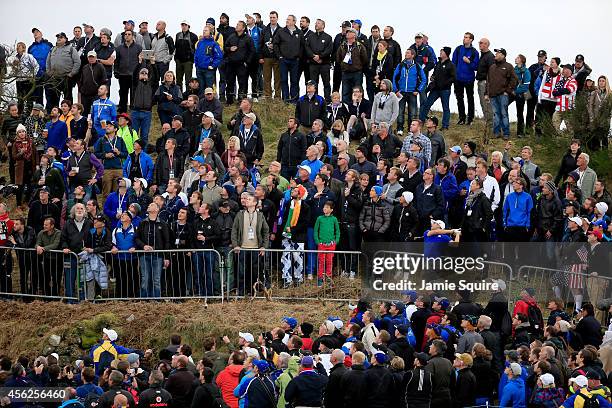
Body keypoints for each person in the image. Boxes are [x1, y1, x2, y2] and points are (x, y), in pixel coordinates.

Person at [135, 202, 170, 299]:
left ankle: (156, 302)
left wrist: (166, 257)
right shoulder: (143, 222)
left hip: (158, 255)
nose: (149, 206)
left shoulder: (162, 223)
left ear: (157, 209)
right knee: (145, 279)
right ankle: (144, 301)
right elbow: (137, 238)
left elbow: (167, 241)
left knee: (156, 280)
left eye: (152, 205)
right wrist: (144, 246)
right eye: (149, 205)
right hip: (144, 255)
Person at [419, 47, 456, 130]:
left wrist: (444, 83)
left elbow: (453, 77)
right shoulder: (438, 63)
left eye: (442, 51)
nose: (440, 53)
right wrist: (432, 77)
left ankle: (445, 125)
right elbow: (435, 74)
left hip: (445, 89)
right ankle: (421, 121)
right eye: (440, 51)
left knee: (445, 107)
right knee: (427, 104)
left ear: (446, 53)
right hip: (435, 89)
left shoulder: (451, 65)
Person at [486, 48, 518, 139]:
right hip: (492, 95)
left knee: (504, 113)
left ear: (503, 55)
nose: (496, 54)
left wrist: (507, 91)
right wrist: (486, 93)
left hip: (502, 95)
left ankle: (506, 133)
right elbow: (488, 81)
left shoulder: (508, 66)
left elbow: (514, 79)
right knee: (496, 114)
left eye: (498, 53)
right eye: (496, 53)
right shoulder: (492, 67)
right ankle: (496, 132)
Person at [393, 48, 427, 135]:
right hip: (401, 92)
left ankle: (410, 129)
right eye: (406, 52)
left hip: (412, 93)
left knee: (413, 112)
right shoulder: (400, 65)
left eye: (408, 53)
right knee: (400, 111)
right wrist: (396, 90)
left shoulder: (417, 66)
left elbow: (424, 79)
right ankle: (399, 128)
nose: (406, 54)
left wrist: (418, 90)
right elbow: (394, 78)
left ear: (412, 55)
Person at [44, 32, 80, 110]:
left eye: (61, 37)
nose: (59, 38)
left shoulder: (71, 49)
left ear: (66, 39)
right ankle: (54, 115)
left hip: (66, 77)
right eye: (58, 37)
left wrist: (72, 73)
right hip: (54, 78)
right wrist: (49, 72)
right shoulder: (52, 49)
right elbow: (47, 62)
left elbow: (77, 62)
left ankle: (69, 115)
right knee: (53, 98)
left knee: (67, 98)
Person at [224, 21, 255, 105]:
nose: (236, 26)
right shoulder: (231, 36)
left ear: (243, 28)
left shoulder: (248, 38)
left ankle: (241, 101)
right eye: (236, 24)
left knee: (242, 83)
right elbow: (225, 47)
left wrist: (247, 62)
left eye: (238, 25)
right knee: (230, 82)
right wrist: (230, 49)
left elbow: (252, 51)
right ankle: (229, 101)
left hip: (242, 64)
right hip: (231, 64)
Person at [452, 32, 479, 125]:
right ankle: (461, 118)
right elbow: (453, 63)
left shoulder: (474, 52)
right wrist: (454, 76)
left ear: (471, 40)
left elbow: (476, 67)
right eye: (464, 37)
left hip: (469, 79)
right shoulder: (458, 49)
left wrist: (469, 62)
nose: (464, 39)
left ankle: (470, 119)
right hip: (458, 79)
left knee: (470, 98)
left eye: (467, 37)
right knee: (459, 98)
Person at [336, 28, 368, 104]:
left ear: (354, 35)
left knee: (357, 92)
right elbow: (338, 58)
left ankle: (357, 109)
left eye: (350, 32)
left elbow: (364, 59)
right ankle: (345, 112)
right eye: (347, 32)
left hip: (357, 73)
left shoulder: (360, 46)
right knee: (345, 92)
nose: (347, 33)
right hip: (345, 73)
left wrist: (357, 66)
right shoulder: (342, 46)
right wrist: (343, 66)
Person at [305, 19, 333, 102]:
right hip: (313, 64)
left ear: (323, 26)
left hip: (324, 64)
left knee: (326, 83)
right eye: (316, 23)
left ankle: (327, 100)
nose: (316, 24)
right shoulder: (310, 36)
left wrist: (320, 57)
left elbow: (329, 50)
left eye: (318, 23)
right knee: (314, 83)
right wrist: (313, 56)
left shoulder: (328, 37)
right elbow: (307, 48)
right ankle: (314, 100)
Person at [587, 75, 612, 150]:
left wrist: (607, 117)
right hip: (595, 119)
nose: (601, 82)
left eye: (603, 81)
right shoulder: (594, 93)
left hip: (605, 119)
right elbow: (590, 106)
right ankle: (595, 155)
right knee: (595, 138)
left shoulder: (610, 94)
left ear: (606, 82)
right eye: (600, 81)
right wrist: (592, 118)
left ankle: (604, 156)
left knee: (604, 138)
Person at [476, 38, 494, 128]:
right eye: (479, 42)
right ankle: (488, 122)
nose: (479, 44)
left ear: (486, 44)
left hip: (485, 83)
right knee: (483, 103)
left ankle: (490, 124)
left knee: (487, 104)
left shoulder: (490, 56)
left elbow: (492, 71)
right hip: (481, 82)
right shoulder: (482, 55)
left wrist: (488, 85)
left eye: (481, 43)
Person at [513, 54, 531, 138]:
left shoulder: (526, 71)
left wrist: (515, 91)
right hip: (511, 93)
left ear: (521, 60)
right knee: (503, 107)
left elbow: (526, 86)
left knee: (519, 113)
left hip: (520, 94)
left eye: (518, 58)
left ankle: (520, 132)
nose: (515, 59)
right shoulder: (513, 70)